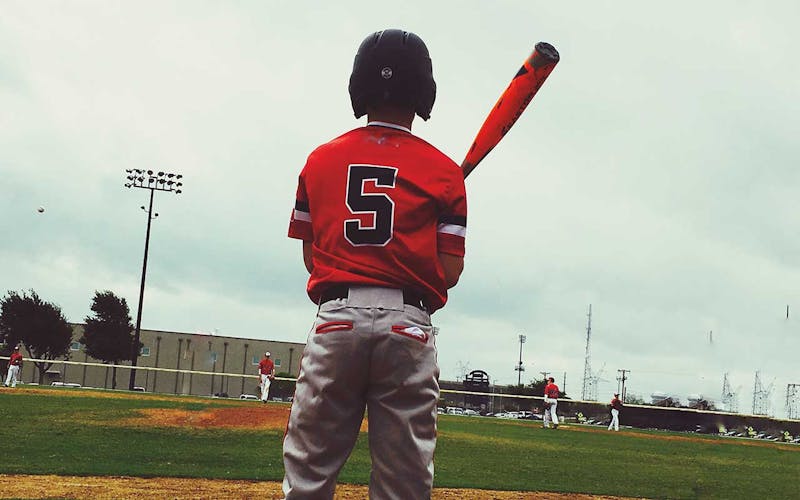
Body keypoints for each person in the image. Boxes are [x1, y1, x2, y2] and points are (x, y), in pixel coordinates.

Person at [282, 28, 467, 499]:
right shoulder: (445, 172)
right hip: (408, 326)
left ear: (358, 85)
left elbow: (312, 256)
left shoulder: (319, 160)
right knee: (403, 479)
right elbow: (448, 273)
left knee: (309, 468)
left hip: (335, 322)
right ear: (424, 90)